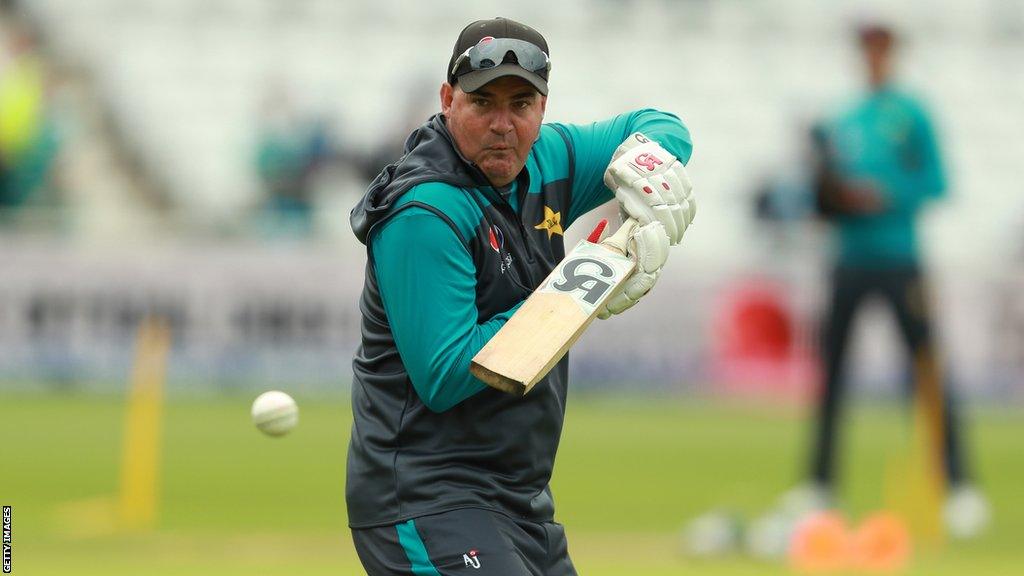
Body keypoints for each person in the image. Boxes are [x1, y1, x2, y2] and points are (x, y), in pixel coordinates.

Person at [346, 17, 695, 575]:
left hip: (520, 500)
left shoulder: (550, 158)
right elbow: (445, 373)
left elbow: (660, 125)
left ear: (543, 107)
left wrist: (645, 169)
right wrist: (576, 291)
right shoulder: (424, 211)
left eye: (521, 103)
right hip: (425, 498)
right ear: (447, 100)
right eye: (483, 102)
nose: (502, 124)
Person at [777, 22, 989, 540]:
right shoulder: (842, 119)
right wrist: (828, 193)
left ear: (892, 53)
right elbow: (820, 199)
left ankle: (958, 485)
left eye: (880, 47)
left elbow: (937, 181)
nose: (872, 56)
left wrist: (884, 193)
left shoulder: (910, 114)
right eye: (866, 47)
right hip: (848, 259)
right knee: (831, 375)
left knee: (925, 370)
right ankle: (820, 485)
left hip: (899, 257)